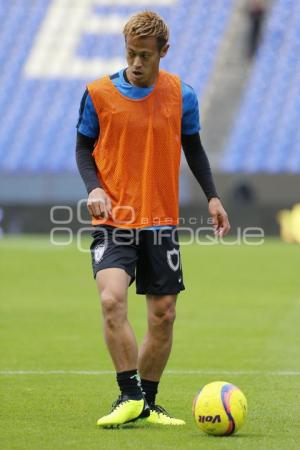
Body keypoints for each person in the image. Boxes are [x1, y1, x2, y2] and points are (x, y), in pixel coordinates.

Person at [76, 11, 230, 428]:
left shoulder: (182, 94)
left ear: (164, 52)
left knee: (163, 314)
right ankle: (128, 393)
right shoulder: (98, 93)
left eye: (145, 55)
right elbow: (83, 148)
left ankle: (148, 401)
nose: (136, 63)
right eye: (130, 54)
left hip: (160, 220)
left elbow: (193, 148)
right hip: (115, 219)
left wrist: (213, 197)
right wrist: (95, 188)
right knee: (110, 299)